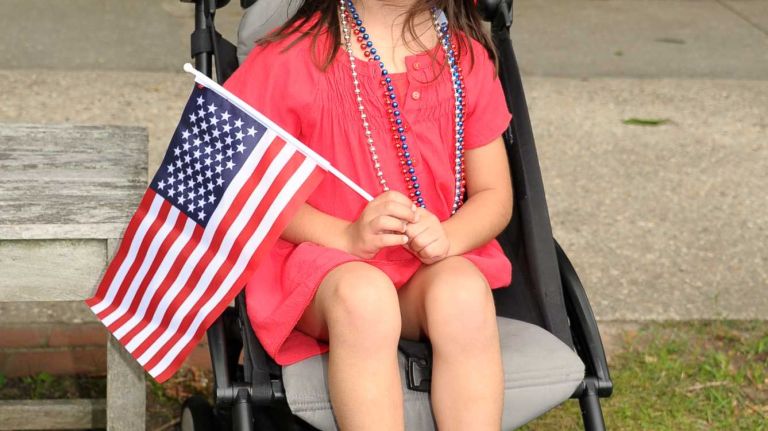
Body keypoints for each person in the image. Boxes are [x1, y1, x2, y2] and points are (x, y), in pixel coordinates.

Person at [223, 0, 513, 428]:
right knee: (365, 298)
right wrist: (344, 236)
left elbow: (494, 195)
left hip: (424, 265)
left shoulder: (465, 61)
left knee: (464, 294)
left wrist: (450, 236)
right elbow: (245, 188)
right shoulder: (292, 59)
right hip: (324, 266)